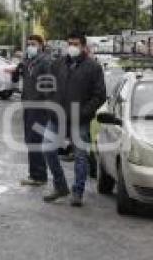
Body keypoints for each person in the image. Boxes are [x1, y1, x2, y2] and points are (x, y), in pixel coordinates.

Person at [42, 31, 106, 207]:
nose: (72, 46)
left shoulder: (93, 67)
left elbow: (99, 95)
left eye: (76, 43)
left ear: (84, 46)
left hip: (81, 120)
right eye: (69, 43)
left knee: (80, 157)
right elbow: (48, 86)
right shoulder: (58, 64)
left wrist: (84, 113)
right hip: (57, 117)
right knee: (47, 148)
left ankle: (78, 192)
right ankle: (60, 186)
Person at [19, 35, 55, 187]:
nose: (30, 47)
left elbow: (48, 84)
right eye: (28, 44)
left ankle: (39, 175)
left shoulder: (45, 61)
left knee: (35, 140)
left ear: (41, 45)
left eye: (33, 44)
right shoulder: (29, 61)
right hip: (29, 104)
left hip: (39, 106)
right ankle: (34, 173)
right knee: (30, 139)